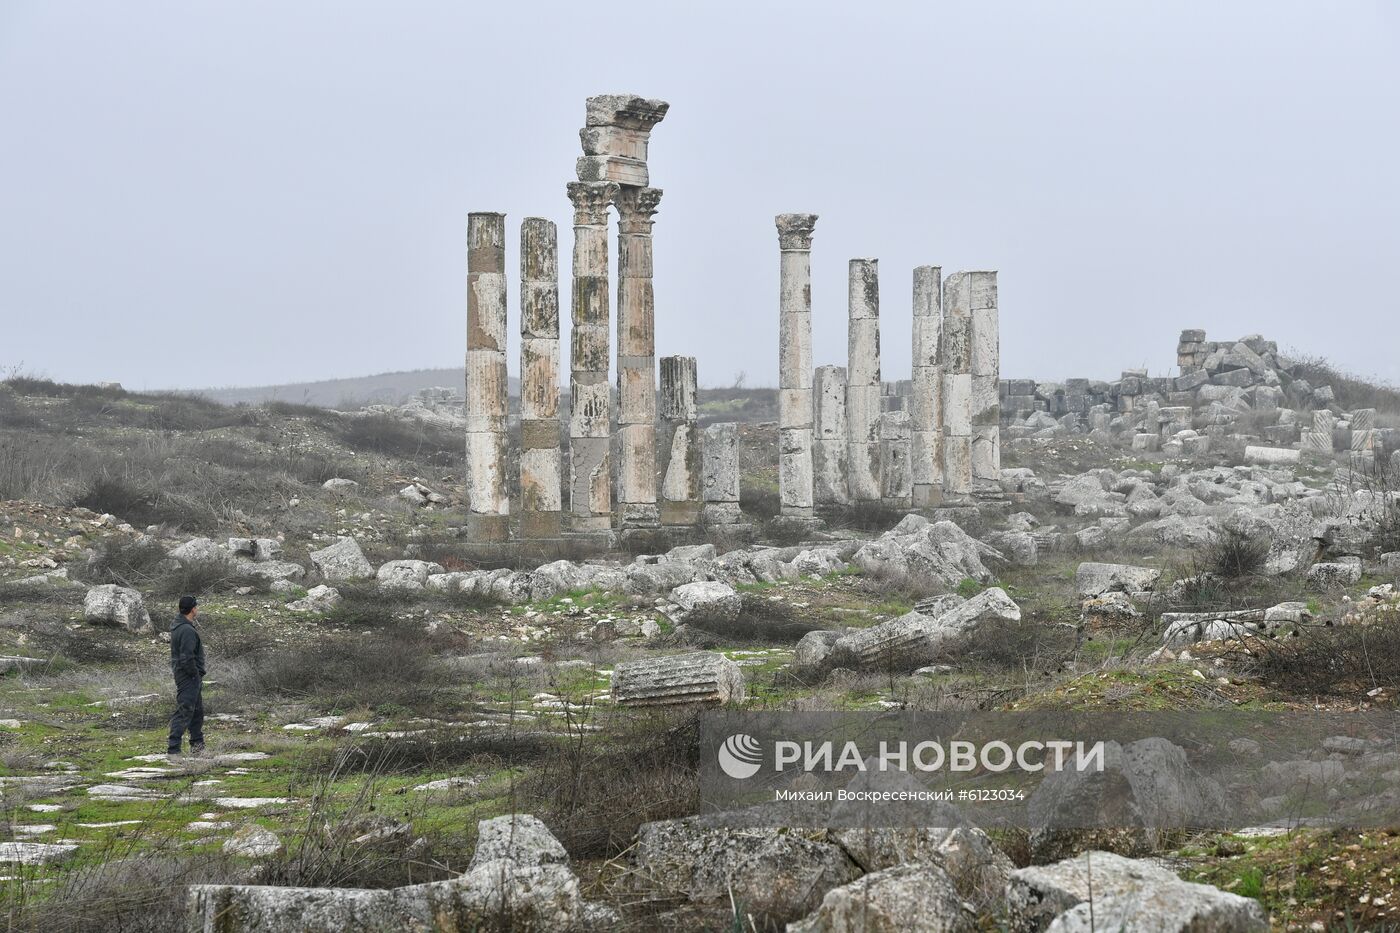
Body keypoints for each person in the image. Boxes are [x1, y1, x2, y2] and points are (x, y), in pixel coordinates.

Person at [167, 595, 206, 758]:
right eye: (196, 607)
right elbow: (186, 657)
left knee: (196, 712)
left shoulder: (180, 626)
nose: (197, 609)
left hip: (187, 676)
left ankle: (197, 747)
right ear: (192, 609)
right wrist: (195, 674)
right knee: (185, 711)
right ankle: (173, 749)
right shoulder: (187, 630)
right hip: (188, 677)